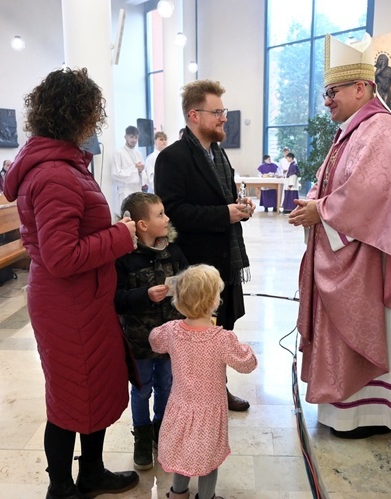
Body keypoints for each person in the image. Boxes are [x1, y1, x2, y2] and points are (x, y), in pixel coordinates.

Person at [288, 34, 391, 439]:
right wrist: (315, 199)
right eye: (326, 92)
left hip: (375, 259)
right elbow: (336, 181)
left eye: (333, 91)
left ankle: (372, 412)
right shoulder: (355, 130)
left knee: (374, 328)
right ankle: (353, 409)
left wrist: (322, 210)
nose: (326, 100)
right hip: (358, 247)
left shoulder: (380, 130)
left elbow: (370, 192)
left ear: (362, 88)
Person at [3, 67, 139, 499]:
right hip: (68, 303)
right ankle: (61, 487)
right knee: (69, 398)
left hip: (84, 298)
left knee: (92, 388)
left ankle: (92, 473)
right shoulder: (56, 174)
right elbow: (62, 257)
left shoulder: (63, 165)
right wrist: (123, 236)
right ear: (80, 115)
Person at [155, 79, 255, 412]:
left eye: (223, 112)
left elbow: (223, 198)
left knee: (220, 327)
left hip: (225, 258)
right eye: (218, 112)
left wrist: (239, 208)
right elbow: (173, 212)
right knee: (194, 336)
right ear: (194, 115)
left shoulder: (218, 152)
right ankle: (183, 398)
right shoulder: (172, 158)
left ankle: (218, 390)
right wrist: (223, 214)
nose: (224, 118)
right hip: (196, 263)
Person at [149, 264, 257, 499]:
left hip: (180, 407)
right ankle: (206, 497)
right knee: (208, 460)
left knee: (182, 453)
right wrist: (245, 347)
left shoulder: (171, 331)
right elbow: (247, 364)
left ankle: (178, 493)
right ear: (213, 301)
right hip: (209, 412)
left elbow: (154, 341)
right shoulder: (222, 339)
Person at [114, 192, 188, 471]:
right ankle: (142, 438)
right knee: (142, 389)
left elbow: (187, 283)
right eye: (160, 214)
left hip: (170, 338)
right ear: (142, 225)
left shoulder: (174, 251)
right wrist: (145, 295)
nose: (167, 218)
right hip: (140, 340)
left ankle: (162, 431)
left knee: (166, 385)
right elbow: (116, 299)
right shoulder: (124, 258)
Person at [111, 125, 146, 207]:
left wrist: (141, 171)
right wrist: (135, 168)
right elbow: (116, 174)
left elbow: (143, 175)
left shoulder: (139, 154)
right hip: (125, 191)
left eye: (136, 137)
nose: (134, 140)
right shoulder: (119, 153)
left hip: (138, 191)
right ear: (125, 137)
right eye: (131, 137)